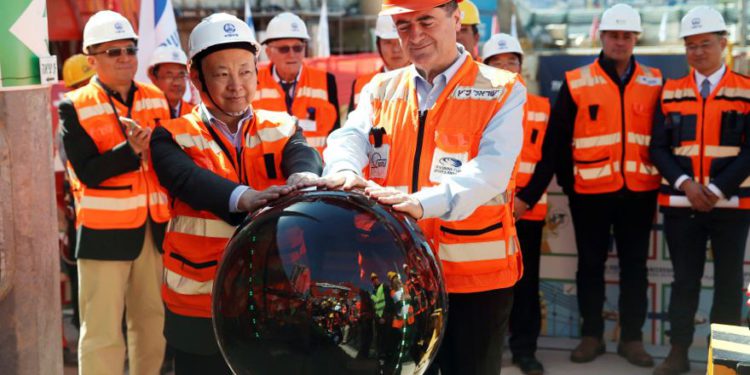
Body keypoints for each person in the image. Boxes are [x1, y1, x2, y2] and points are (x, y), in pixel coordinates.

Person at [322, 0, 525, 373]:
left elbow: (491, 172)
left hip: (475, 281)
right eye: (403, 26)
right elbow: (348, 137)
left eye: (426, 21)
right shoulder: (380, 89)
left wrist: (420, 203)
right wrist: (345, 170)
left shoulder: (502, 89)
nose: (414, 36)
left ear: (455, 17)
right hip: (399, 278)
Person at [149, 13, 322, 374]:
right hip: (200, 300)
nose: (236, 85)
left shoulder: (282, 125)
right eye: (222, 73)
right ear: (196, 77)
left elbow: (302, 154)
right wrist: (244, 197)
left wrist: (304, 176)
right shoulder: (171, 135)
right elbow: (187, 179)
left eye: (245, 71)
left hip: (274, 295)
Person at [549, 3, 663, 366]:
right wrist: (571, 186)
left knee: (635, 268)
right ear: (602, 37)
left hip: (639, 193)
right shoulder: (576, 81)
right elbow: (558, 141)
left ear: (636, 39)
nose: (620, 41)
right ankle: (591, 335)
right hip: (590, 196)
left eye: (627, 36)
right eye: (614, 35)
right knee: (590, 266)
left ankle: (632, 339)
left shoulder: (654, 80)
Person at [59, 10, 171, 375]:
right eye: (114, 52)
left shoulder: (157, 99)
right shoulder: (73, 105)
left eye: (130, 49)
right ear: (91, 59)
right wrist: (131, 151)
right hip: (102, 236)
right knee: (102, 334)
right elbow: (87, 172)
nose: (125, 57)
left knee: (153, 328)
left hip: (154, 232)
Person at [650, 6, 750, 375]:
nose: (697, 52)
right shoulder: (670, 91)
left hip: (733, 204)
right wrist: (687, 185)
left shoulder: (746, 90)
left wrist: (716, 188)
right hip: (682, 203)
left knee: (729, 284)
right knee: (684, 282)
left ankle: (725, 363)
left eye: (704, 44)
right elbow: (658, 148)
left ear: (723, 44)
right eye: (690, 45)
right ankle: (677, 354)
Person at [483, 33, 554, 375]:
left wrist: (525, 200)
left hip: (527, 211)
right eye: (497, 63)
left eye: (511, 61)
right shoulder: (475, 107)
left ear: (521, 65)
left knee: (526, 284)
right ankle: (489, 351)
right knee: (490, 287)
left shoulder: (540, 106)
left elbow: (548, 160)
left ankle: (525, 350)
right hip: (485, 213)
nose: (506, 68)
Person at [253, 12, 339, 154]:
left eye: (297, 48)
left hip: (317, 171)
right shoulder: (253, 82)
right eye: (284, 49)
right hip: (267, 174)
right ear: (268, 52)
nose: (292, 54)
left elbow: (336, 136)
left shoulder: (326, 81)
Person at [348, 15, 410, 113]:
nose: (396, 49)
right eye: (388, 42)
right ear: (378, 44)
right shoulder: (362, 84)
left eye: (400, 41)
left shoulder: (428, 81)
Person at [147, 45, 194, 119]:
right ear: (153, 77)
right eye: (169, 76)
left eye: (181, 75)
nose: (176, 83)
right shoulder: (142, 113)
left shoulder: (195, 115)